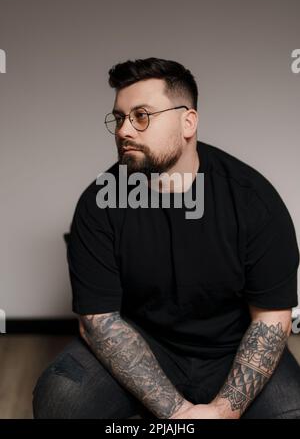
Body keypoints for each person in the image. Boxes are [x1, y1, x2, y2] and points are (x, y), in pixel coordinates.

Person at [32, 57, 300, 419]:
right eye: (120, 117)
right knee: (60, 400)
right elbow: (97, 321)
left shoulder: (253, 200)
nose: (124, 130)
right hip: (142, 346)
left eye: (141, 115)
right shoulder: (99, 203)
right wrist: (177, 415)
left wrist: (223, 410)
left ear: (188, 121)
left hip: (230, 349)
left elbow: (272, 319)